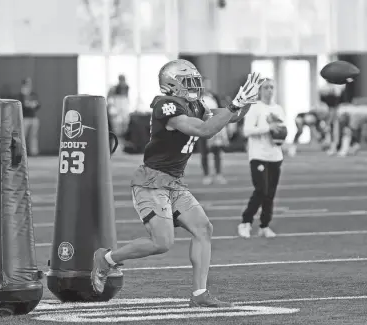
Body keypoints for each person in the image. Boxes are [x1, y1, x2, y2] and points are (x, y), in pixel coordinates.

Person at [90, 59, 264, 307]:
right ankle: (106, 259)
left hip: (174, 183)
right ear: (170, 84)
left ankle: (199, 294)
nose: (193, 86)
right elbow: (204, 130)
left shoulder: (194, 104)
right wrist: (235, 104)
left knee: (203, 228)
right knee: (162, 243)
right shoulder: (165, 105)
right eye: (187, 82)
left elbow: (228, 118)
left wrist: (244, 103)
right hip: (151, 182)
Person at [238, 78, 285, 239]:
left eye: (272, 87)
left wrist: (281, 135)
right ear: (260, 90)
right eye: (266, 87)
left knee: (270, 194)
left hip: (275, 155)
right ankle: (245, 222)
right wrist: (268, 128)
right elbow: (247, 130)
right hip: (259, 155)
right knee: (261, 190)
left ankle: (264, 225)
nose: (269, 90)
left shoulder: (278, 108)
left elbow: (281, 130)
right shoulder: (254, 108)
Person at [198, 78, 228, 185]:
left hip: (215, 128)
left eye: (208, 84)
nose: (206, 86)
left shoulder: (214, 97)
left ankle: (219, 174)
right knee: (204, 153)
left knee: (217, 152)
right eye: (204, 84)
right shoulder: (197, 98)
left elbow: (221, 112)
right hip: (202, 128)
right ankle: (206, 175)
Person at [18, 78, 41, 156]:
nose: (29, 86)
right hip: (24, 118)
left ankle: (34, 152)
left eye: (29, 84)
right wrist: (28, 105)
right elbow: (20, 106)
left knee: (34, 136)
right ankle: (20, 153)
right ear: (23, 85)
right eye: (27, 84)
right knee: (22, 136)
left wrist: (34, 105)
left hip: (33, 118)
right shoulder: (20, 95)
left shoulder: (33, 94)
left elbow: (38, 105)